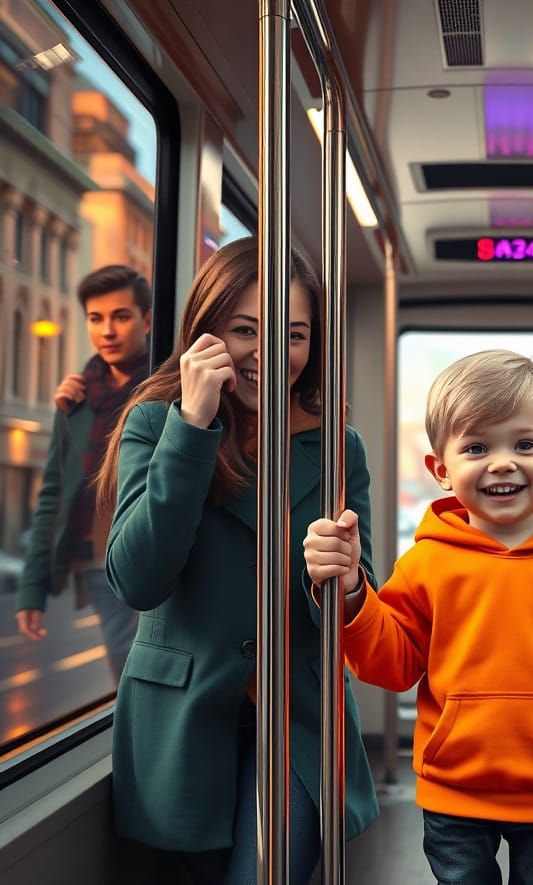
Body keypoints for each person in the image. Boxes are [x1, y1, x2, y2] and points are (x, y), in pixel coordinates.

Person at [304, 349, 533, 885]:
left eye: (526, 444)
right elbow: (393, 664)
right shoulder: (426, 563)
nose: (502, 462)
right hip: (455, 788)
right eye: (476, 447)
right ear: (441, 470)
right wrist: (353, 592)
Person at [95, 238, 378, 884]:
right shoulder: (154, 423)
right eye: (245, 330)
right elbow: (139, 578)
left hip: (298, 718)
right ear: (206, 332)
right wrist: (192, 426)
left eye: (294, 335)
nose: (271, 354)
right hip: (184, 717)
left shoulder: (338, 443)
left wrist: (346, 577)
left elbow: (359, 606)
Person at [17, 265, 152, 680]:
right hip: (100, 563)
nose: (107, 330)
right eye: (96, 318)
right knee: (126, 673)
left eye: (121, 316)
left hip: (164, 553)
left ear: (147, 320)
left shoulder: (171, 385)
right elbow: (52, 496)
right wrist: (32, 589)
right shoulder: (76, 401)